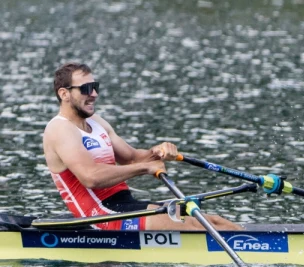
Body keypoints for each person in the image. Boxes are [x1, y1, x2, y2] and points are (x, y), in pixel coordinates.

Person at [42, 62, 241, 231]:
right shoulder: (59, 129)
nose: (93, 94)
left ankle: (258, 250)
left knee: (215, 221)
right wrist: (146, 168)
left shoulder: (96, 121)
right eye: (85, 89)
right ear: (64, 94)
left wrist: (159, 152)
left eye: (95, 86)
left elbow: (132, 158)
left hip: (125, 204)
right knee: (195, 226)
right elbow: (90, 177)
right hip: (100, 216)